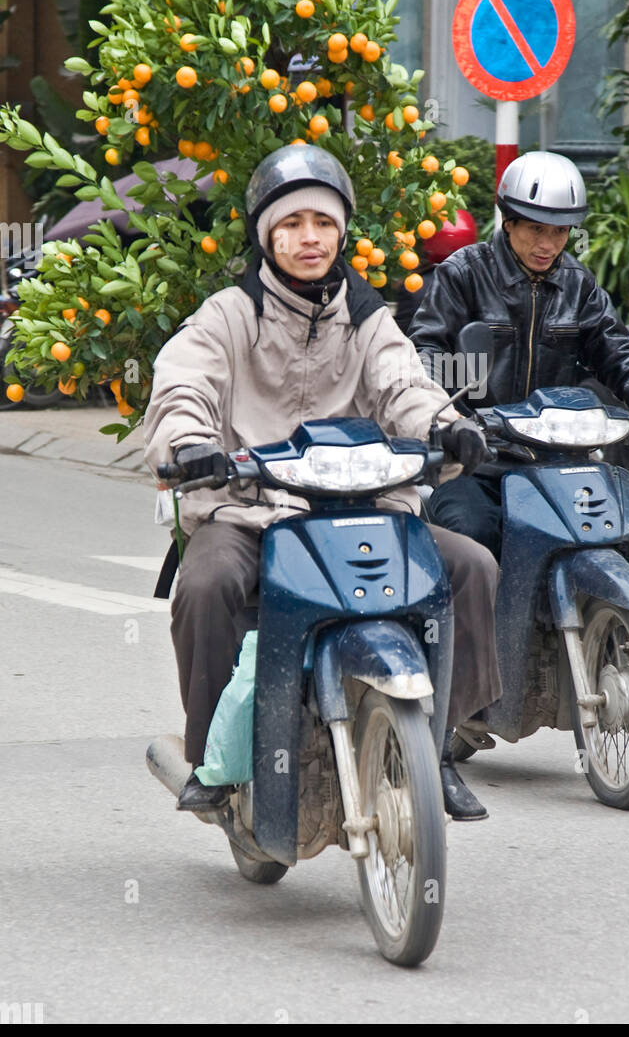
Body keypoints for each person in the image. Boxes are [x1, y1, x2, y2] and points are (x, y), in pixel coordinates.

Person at [143, 144, 500, 821]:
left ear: (341, 232)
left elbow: (404, 385)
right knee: (206, 583)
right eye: (291, 223)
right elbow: (184, 382)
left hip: (358, 508)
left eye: (323, 222)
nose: (309, 237)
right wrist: (190, 444)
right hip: (250, 509)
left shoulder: (367, 318)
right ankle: (213, 757)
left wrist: (445, 428)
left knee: (471, 567)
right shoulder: (228, 314)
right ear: (266, 235)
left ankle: (439, 746)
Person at [408, 150, 629, 558]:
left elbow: (617, 350)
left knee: (617, 528)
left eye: (560, 232)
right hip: (477, 459)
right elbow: (427, 350)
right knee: (474, 537)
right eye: (536, 229)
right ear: (508, 221)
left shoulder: (578, 284)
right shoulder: (463, 273)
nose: (548, 244)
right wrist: (450, 417)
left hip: (557, 459)